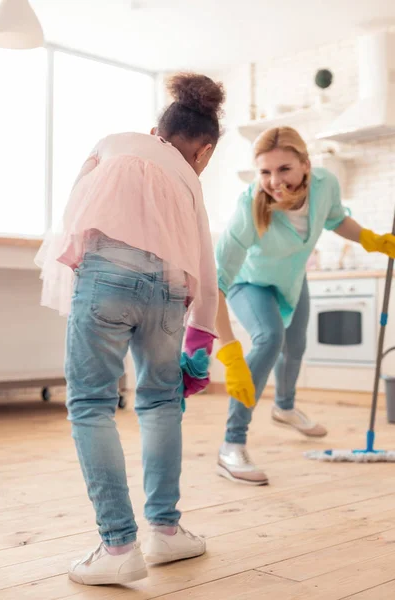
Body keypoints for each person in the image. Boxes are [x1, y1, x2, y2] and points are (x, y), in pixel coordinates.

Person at [35, 73, 228, 586]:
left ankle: (119, 544)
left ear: (155, 130)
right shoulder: (191, 181)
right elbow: (206, 273)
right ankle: (165, 532)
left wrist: (84, 278)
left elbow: (75, 211)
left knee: (91, 403)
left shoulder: (114, 144)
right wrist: (200, 346)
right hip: (169, 290)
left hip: (106, 277)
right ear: (204, 151)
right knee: (162, 401)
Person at [214, 126, 395, 486]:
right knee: (269, 339)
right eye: (264, 171)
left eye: (284, 169)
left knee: (296, 346)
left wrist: (371, 240)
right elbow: (216, 281)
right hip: (248, 283)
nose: (273, 180)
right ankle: (231, 444)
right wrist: (229, 352)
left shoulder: (325, 184)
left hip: (291, 281)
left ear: (305, 165)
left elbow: (335, 218)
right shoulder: (248, 208)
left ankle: (284, 406)